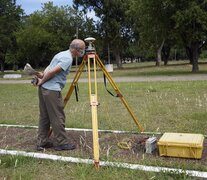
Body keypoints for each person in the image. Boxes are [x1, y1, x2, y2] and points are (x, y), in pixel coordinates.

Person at [35, 39, 86, 151]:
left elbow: (48, 68)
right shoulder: (67, 58)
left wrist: (41, 78)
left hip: (44, 89)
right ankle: (61, 143)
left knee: (44, 116)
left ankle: (42, 142)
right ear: (76, 50)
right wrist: (42, 80)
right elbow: (53, 72)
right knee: (58, 116)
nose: (83, 51)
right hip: (51, 90)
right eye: (82, 49)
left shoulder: (61, 54)